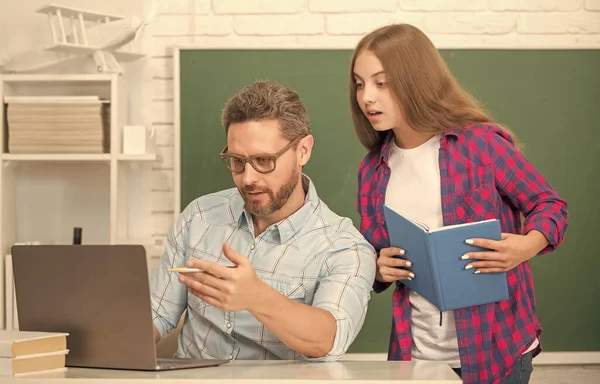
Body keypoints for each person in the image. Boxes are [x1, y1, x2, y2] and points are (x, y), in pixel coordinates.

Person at [350, 24, 568, 384]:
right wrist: (376, 268)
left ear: (415, 80)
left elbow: (550, 205)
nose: (367, 97)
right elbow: (372, 255)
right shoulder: (373, 171)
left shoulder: (480, 144)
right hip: (414, 355)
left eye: (382, 83)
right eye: (359, 84)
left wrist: (527, 245)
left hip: (497, 348)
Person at [150, 80, 376, 361]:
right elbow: (157, 312)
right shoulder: (199, 216)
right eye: (237, 161)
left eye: (264, 161)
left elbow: (327, 340)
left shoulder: (345, 248)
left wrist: (256, 297)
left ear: (303, 150)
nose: (248, 178)